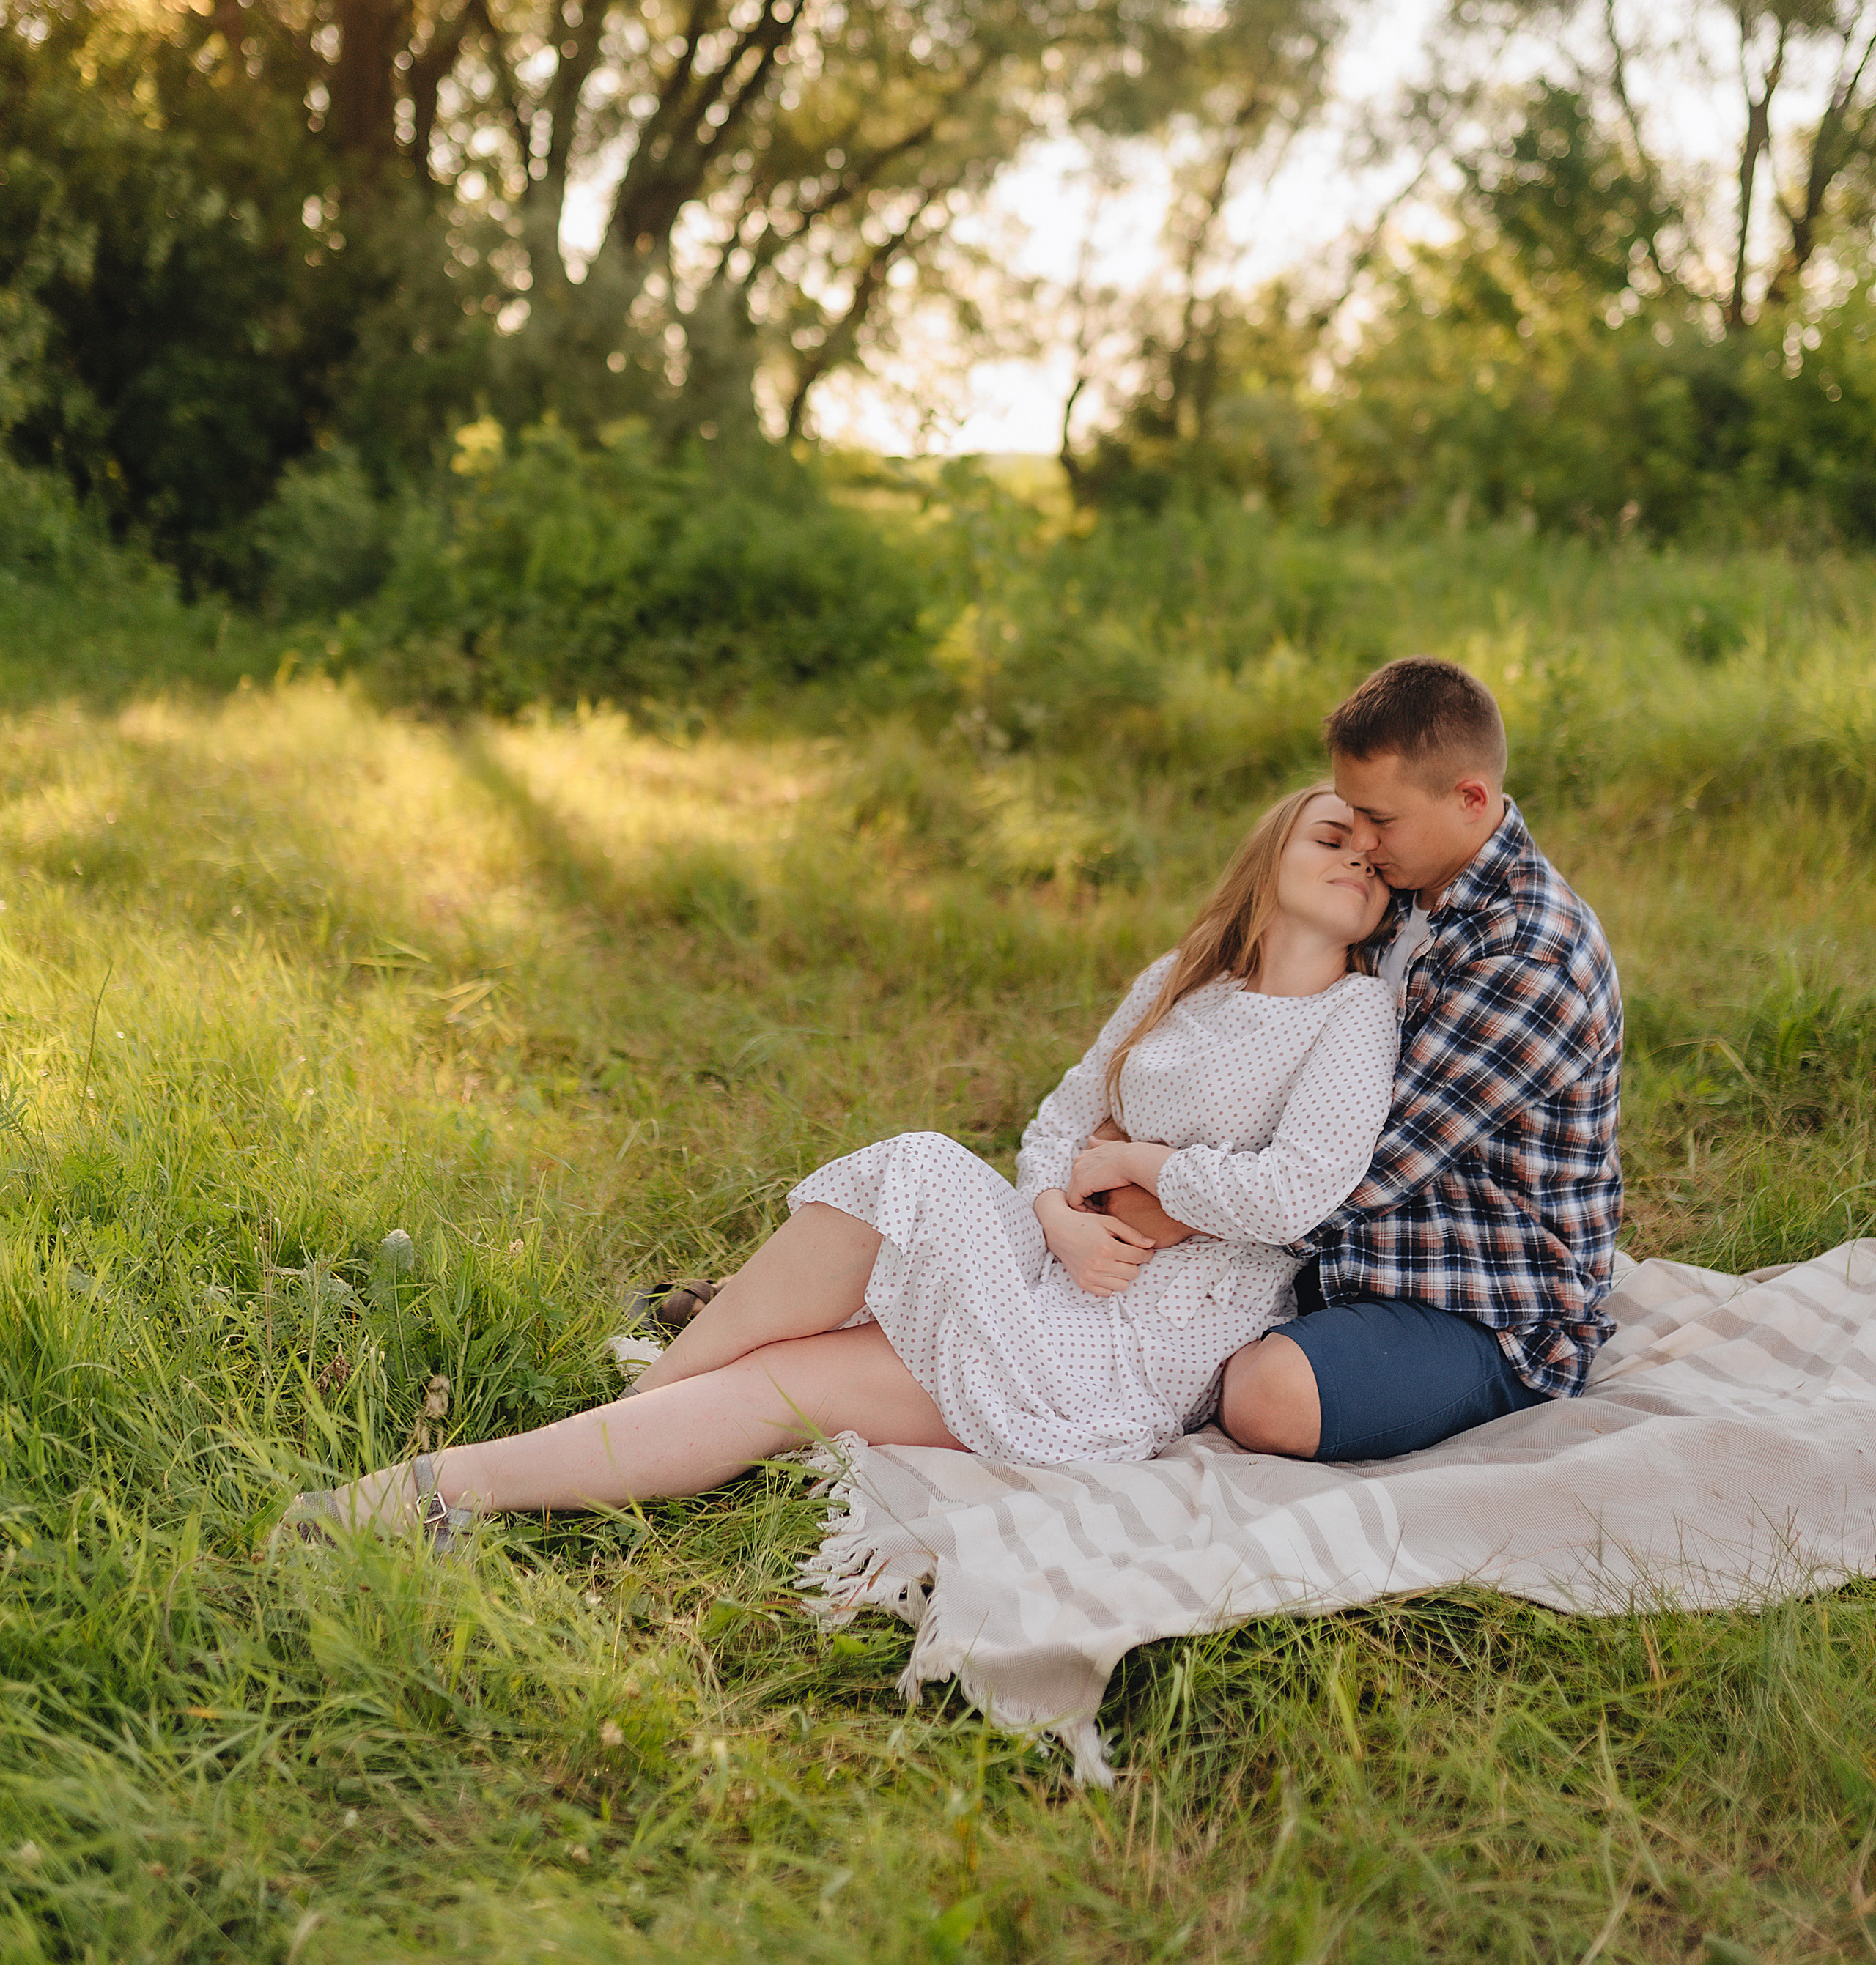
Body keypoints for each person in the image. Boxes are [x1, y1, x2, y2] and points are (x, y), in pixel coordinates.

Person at [280, 785, 1397, 1546]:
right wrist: (1057, 1210)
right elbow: (1062, 1116)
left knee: (866, 1243)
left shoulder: (1353, 1016)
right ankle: (501, 1471)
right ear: (1270, 857)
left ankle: (507, 1464)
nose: (1354, 860)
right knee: (810, 1332)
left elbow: (1297, 1193)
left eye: (1370, 858)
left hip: (1137, 1341)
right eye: (1328, 839)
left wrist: (1147, 1159)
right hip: (1057, 1265)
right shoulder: (1180, 979)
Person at [1104, 656, 1624, 1467]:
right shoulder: (1400, 891)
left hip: (1480, 1295)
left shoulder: (1529, 955)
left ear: (1470, 800)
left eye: (1379, 820)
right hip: (1328, 1239)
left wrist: (1173, 1202)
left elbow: (1376, 1166)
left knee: (1262, 1395)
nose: (1363, 845)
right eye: (1349, 818)